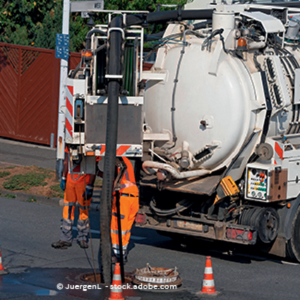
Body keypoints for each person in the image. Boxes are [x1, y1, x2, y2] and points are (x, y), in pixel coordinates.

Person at [52, 145, 96, 249]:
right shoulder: (71, 144)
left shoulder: (90, 146)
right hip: (71, 181)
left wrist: (90, 185)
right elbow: (67, 159)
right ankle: (65, 238)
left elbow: (94, 166)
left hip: (84, 182)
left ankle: (82, 237)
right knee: (68, 209)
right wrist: (63, 176)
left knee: (83, 211)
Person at [110, 157, 139, 263]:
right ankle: (122, 253)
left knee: (116, 228)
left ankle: (118, 255)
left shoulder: (119, 160)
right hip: (133, 197)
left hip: (123, 199)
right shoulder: (126, 162)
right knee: (125, 230)